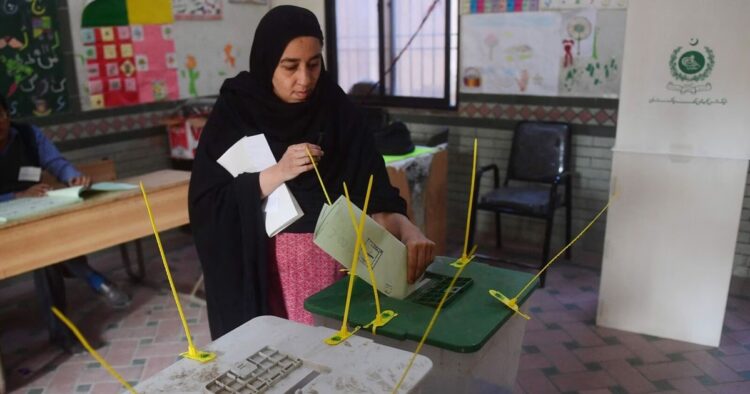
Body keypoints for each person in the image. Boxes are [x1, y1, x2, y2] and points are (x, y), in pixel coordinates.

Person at [189, 5, 436, 339]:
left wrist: (406, 229)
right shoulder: (237, 111)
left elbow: (375, 191)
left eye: (314, 64)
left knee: (339, 352)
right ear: (266, 61)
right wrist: (277, 172)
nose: (304, 79)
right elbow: (208, 203)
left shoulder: (336, 108)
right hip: (274, 271)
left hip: (344, 261)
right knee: (288, 354)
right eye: (290, 66)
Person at [0, 95, 131, 352]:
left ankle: (61, 333)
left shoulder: (27, 134)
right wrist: (15, 195)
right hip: (4, 222)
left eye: (2, 115)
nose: (0, 123)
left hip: (36, 212)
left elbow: (55, 162)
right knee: (45, 251)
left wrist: (73, 177)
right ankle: (92, 278)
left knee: (47, 253)